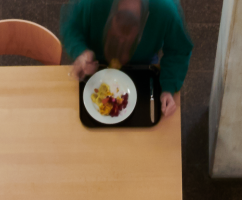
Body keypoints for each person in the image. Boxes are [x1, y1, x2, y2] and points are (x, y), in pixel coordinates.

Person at [61, 0, 193, 118]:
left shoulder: (165, 8)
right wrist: (81, 52)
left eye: (128, 39)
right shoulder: (90, 3)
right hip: (95, 65)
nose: (121, 41)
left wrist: (168, 88)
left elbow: (179, 50)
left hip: (142, 66)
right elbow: (72, 26)